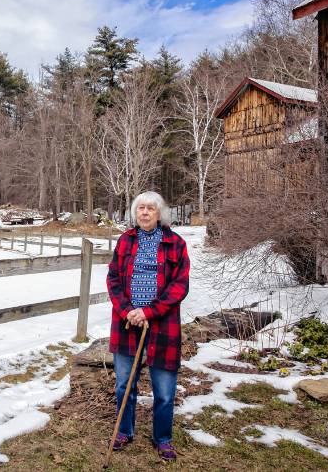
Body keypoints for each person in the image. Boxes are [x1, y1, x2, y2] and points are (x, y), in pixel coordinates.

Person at [106, 191, 190, 462]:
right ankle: (124, 431)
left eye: (150, 209)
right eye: (140, 208)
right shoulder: (125, 241)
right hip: (127, 322)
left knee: (164, 390)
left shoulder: (175, 243)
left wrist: (150, 312)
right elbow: (113, 279)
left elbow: (180, 286)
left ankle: (163, 438)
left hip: (163, 324)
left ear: (159, 213)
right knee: (124, 385)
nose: (144, 213)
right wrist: (128, 311)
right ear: (135, 213)